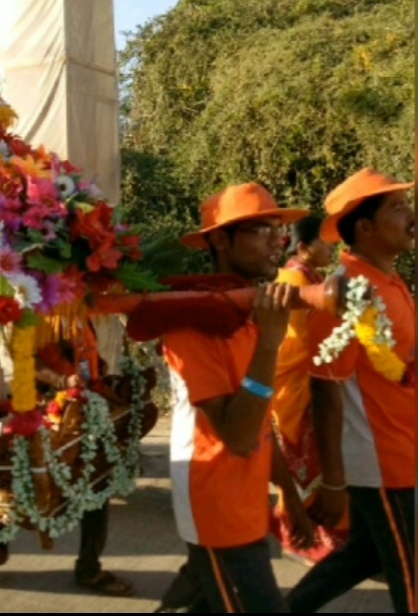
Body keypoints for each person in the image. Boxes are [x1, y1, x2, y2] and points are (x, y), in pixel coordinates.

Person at [157, 182, 315, 612]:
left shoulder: (246, 313)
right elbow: (239, 436)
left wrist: (291, 500)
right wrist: (270, 343)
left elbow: (260, 422)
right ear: (222, 241)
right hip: (215, 505)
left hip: (244, 502)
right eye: (261, 230)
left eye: (277, 231)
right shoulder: (191, 321)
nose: (277, 242)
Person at [286, 168, 415, 613]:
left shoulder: (389, 281)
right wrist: (335, 481)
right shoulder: (345, 293)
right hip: (383, 461)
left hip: (404, 449)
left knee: (366, 554)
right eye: (398, 209)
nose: (412, 217)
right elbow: (326, 389)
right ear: (365, 228)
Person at [0, 320, 135, 597]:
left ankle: (89, 566)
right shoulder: (24, 308)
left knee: (98, 484)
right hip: (38, 408)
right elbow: (21, 360)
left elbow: (82, 351)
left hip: (84, 407)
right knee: (20, 481)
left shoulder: (74, 306)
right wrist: (61, 381)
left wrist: (98, 367)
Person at [269, 215, 349, 565]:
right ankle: (299, 535)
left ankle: (323, 533)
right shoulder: (294, 278)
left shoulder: (310, 276)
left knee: (320, 461)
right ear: (303, 247)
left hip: (314, 379)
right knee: (304, 466)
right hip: (298, 385)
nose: (332, 248)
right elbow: (293, 343)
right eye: (326, 242)